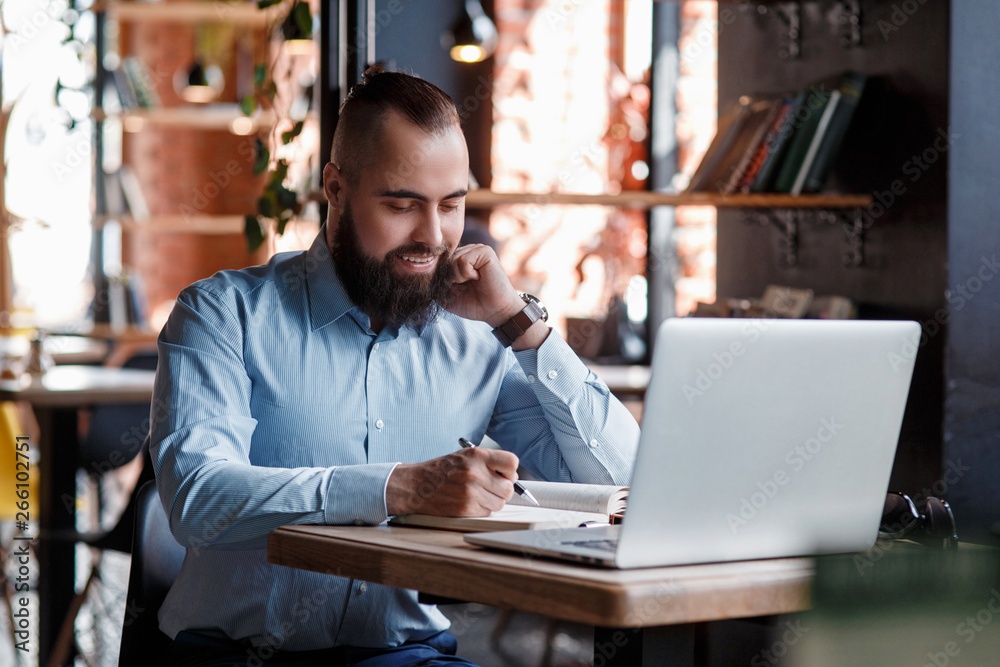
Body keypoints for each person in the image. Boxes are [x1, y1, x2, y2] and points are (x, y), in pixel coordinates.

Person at [150, 65, 640, 666]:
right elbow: (199, 497)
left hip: (407, 655)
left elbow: (620, 483)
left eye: (452, 204)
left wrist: (519, 321)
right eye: (403, 205)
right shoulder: (224, 313)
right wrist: (397, 486)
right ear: (334, 188)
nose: (433, 237)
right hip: (239, 656)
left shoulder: (478, 333)